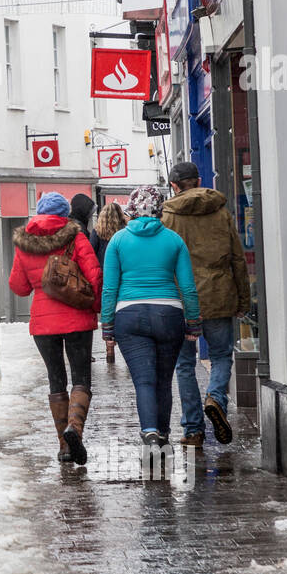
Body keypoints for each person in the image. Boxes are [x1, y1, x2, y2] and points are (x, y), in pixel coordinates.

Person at [100, 185, 201, 450]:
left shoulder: (118, 241)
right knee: (164, 380)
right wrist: (193, 322)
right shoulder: (174, 240)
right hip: (169, 313)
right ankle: (165, 433)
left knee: (144, 380)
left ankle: (149, 431)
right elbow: (188, 287)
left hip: (129, 316)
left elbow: (110, 288)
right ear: (160, 208)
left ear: (131, 209)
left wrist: (107, 327)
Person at [161, 161, 251, 447]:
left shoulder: (168, 216)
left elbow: (163, 262)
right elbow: (238, 258)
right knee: (222, 355)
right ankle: (215, 398)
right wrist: (243, 299)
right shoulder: (221, 212)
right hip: (219, 295)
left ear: (174, 185)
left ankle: (193, 430)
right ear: (199, 181)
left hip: (181, 300)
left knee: (184, 364)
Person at [8, 192, 102, 465]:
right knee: (81, 377)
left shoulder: (25, 243)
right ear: (64, 214)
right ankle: (76, 428)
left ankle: (64, 445)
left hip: (42, 322)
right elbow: (94, 274)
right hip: (77, 318)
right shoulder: (76, 235)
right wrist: (94, 307)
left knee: (55, 379)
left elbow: (19, 286)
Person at [93, 201, 127, 363]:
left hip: (105, 277)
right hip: (122, 275)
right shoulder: (125, 231)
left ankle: (109, 349)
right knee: (122, 310)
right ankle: (127, 349)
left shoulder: (97, 231)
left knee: (108, 310)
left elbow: (91, 253)